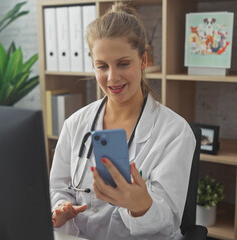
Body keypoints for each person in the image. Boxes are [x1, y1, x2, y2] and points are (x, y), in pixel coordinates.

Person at [49, 2, 196, 239]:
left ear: (143, 61)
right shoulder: (75, 124)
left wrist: (141, 206)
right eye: (102, 66)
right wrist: (61, 209)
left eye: (123, 63)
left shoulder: (175, 132)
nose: (112, 77)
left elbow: (168, 222)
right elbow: (58, 189)